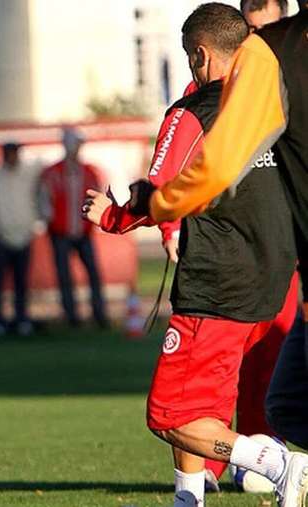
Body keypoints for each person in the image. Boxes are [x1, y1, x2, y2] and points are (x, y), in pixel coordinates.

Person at [126, 2, 308, 505]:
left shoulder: (199, 107)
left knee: (171, 412)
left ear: (200, 55)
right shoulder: (279, 96)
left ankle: (276, 463)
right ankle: (193, 492)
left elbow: (172, 183)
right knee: (220, 397)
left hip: (218, 279)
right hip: (271, 275)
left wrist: (124, 214)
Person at [40, 127, 108, 328]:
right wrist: (50, 221)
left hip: (84, 231)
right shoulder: (52, 172)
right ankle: (71, 315)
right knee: (64, 275)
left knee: (93, 272)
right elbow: (44, 200)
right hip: (60, 231)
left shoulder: (89, 172)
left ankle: (99, 313)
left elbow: (98, 196)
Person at [0, 142, 41, 337]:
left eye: (15, 153)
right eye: (10, 153)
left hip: (23, 236)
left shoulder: (27, 177)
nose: (13, 156)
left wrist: (32, 226)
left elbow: (36, 199)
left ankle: (21, 319)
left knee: (21, 282)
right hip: (0, 238)